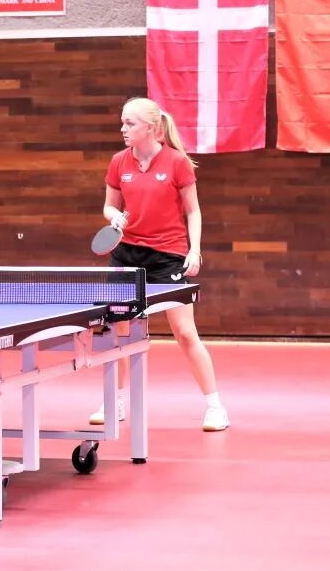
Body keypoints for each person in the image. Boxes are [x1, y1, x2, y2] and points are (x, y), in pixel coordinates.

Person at [91, 97, 228, 432]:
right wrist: (114, 216)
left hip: (167, 257)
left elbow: (193, 211)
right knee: (119, 330)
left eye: (130, 123)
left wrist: (194, 251)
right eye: (122, 122)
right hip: (126, 255)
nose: (123, 129)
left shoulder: (177, 162)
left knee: (184, 332)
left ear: (150, 128)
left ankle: (215, 407)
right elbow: (108, 206)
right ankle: (115, 400)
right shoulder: (119, 162)